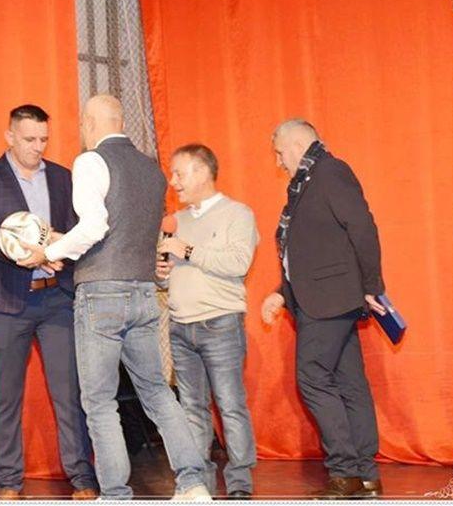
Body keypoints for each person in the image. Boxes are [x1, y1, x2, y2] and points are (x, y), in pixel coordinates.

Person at [20, 94, 209, 501]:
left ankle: (116, 495)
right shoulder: (152, 170)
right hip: (142, 294)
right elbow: (133, 231)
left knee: (100, 401)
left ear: (89, 123)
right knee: (157, 392)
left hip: (101, 295)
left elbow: (95, 226)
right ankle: (193, 483)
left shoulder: (90, 161)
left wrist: (48, 252)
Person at [0, 104, 98, 500]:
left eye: (43, 139)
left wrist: (60, 247)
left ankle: (82, 477)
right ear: (9, 136)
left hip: (57, 298)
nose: (38, 147)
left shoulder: (61, 177)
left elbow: (77, 231)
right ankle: (8, 481)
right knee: (5, 395)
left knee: (69, 393)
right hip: (6, 301)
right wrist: (19, 249)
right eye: (29, 139)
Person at [260, 119, 386, 499]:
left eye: (280, 153)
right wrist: (282, 293)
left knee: (313, 377)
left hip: (330, 299)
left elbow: (363, 227)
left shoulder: (330, 171)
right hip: (327, 296)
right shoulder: (307, 181)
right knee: (349, 383)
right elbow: (313, 250)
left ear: (297, 145)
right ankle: (365, 474)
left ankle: (344, 472)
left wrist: (372, 287)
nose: (279, 162)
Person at [155, 144, 259, 499]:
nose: (173, 182)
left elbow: (238, 263)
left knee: (230, 405)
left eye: (179, 173)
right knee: (191, 410)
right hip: (180, 327)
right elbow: (167, 278)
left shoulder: (237, 214)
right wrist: (160, 274)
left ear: (202, 172)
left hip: (220, 325)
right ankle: (198, 484)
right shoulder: (176, 221)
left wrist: (186, 250)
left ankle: (240, 484)